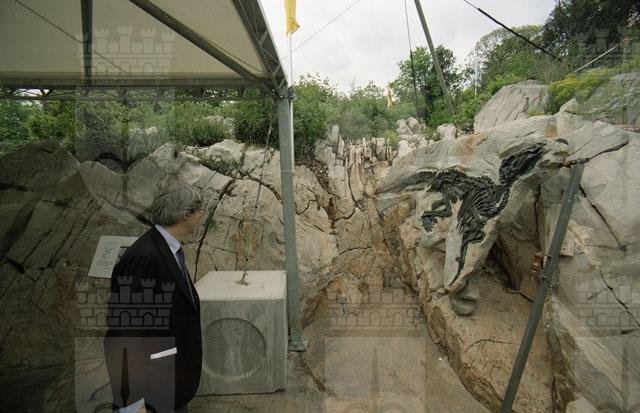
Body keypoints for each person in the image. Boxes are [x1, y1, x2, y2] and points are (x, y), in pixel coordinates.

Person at [104, 183, 205, 413]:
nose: (201, 216)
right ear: (186, 214)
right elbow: (125, 333)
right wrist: (132, 402)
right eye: (199, 210)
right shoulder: (143, 257)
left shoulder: (168, 249)